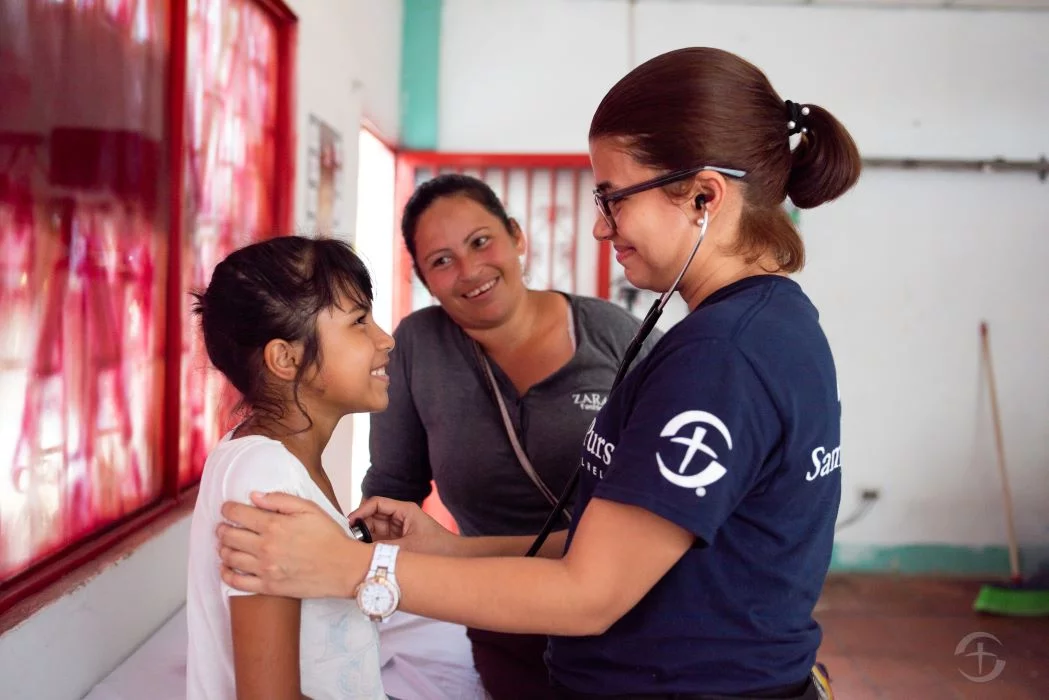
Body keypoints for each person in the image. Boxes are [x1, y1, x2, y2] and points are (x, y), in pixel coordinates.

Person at [216, 46, 859, 699]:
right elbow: (614, 548)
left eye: (613, 198)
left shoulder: (718, 358)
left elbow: (588, 592)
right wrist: (439, 551)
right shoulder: (767, 325)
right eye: (438, 262)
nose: (601, 228)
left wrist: (349, 568)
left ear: (703, 196)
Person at [361, 173, 659, 698]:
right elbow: (392, 488)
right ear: (425, 279)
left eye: (481, 241)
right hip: (503, 623)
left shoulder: (617, 338)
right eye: (442, 260)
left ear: (517, 236)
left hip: (629, 618)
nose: (470, 270)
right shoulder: (416, 347)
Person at [185, 236, 394, 700]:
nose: (385, 338)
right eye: (359, 322)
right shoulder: (266, 478)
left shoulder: (272, 457)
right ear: (286, 358)